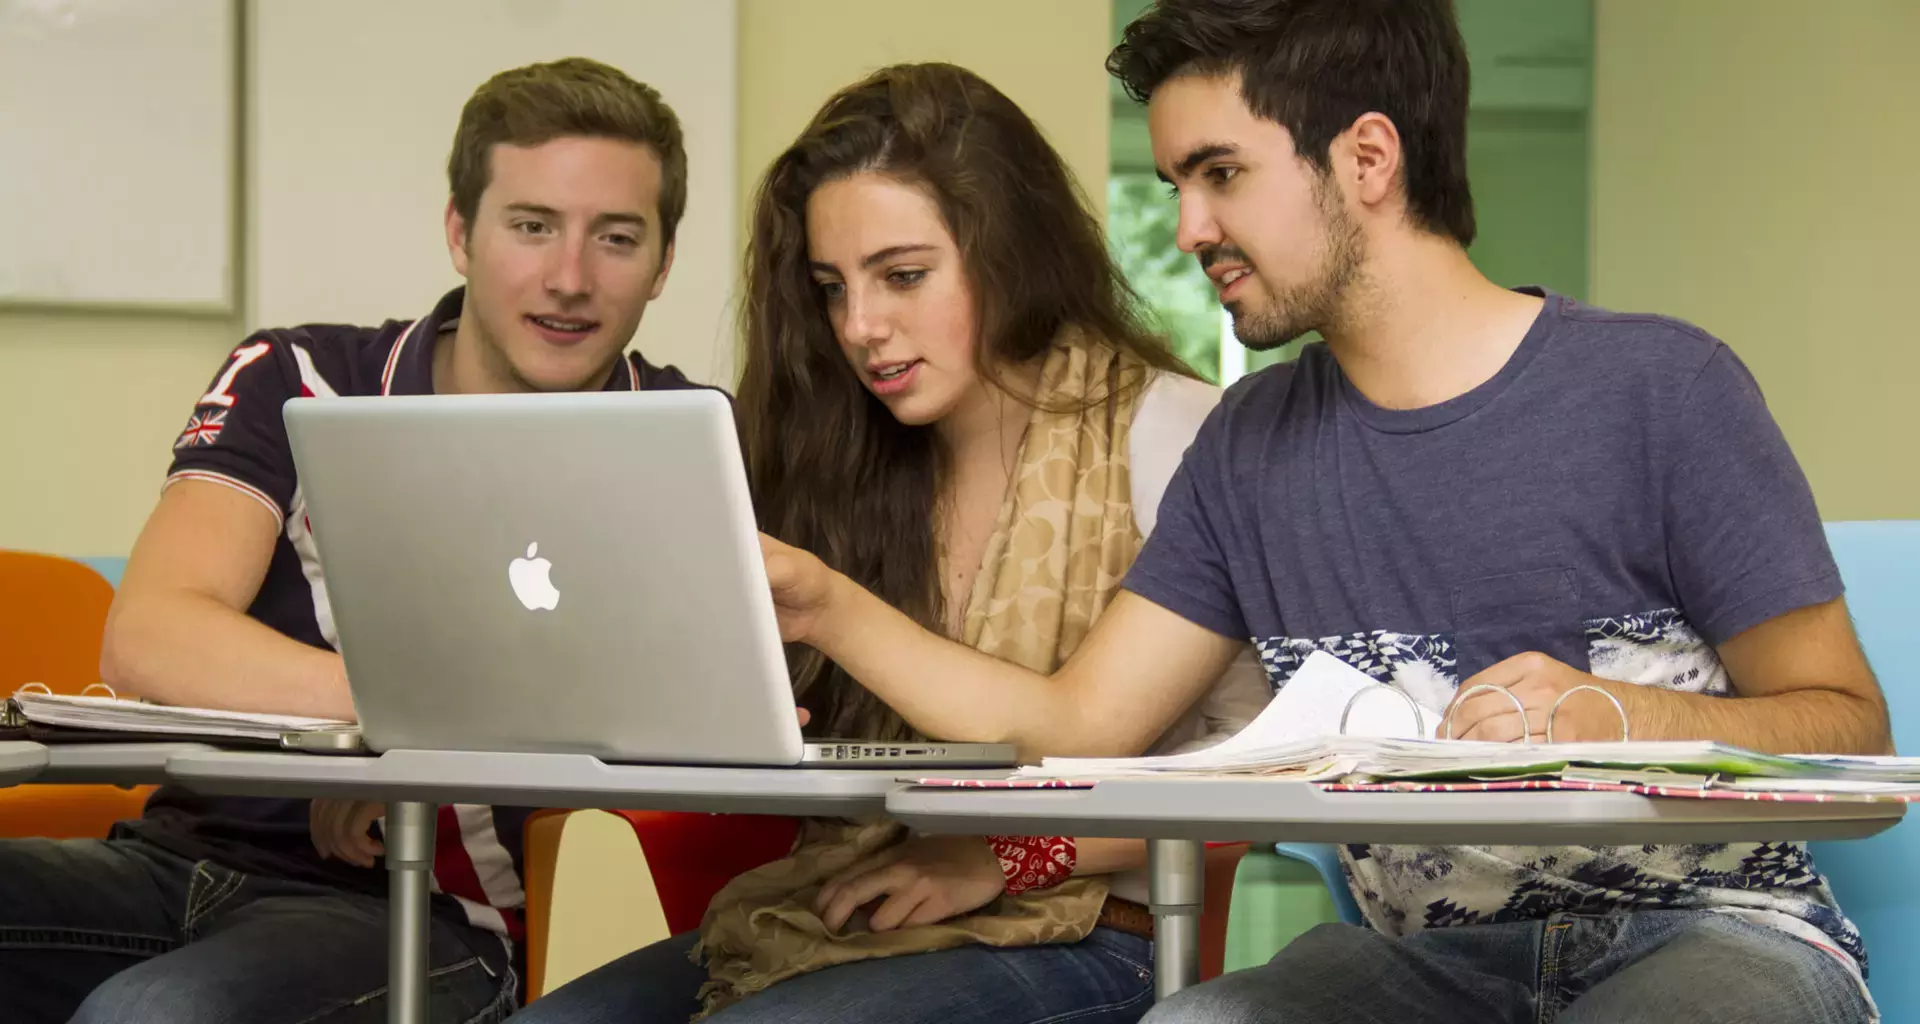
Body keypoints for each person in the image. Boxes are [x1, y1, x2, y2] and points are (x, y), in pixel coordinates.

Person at [753, 3, 1894, 1023]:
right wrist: (825, 604)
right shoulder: (1248, 447)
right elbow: (1074, 730)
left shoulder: (1662, 389)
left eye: (1221, 174)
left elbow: (1852, 730)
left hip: (1716, 936)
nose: (1190, 227)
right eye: (1177, 187)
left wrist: (1617, 715)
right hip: (1423, 970)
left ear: (1366, 158)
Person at [515, 62, 1267, 1024]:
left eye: (904, 276)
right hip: (847, 903)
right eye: (833, 288)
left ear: (1010, 252)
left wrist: (1006, 854)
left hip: (1096, 929)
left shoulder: (1173, 439)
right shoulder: (836, 459)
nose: (862, 328)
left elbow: (1254, 780)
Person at [0, 58, 707, 1024]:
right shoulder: (297, 374)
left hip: (425, 917)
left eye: (616, 238)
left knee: (155, 1014)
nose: (569, 278)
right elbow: (151, 635)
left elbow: (681, 697)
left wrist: (408, 751)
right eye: (532, 226)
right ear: (461, 232)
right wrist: (380, 731)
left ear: (664, 262)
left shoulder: (686, 435)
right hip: (169, 861)